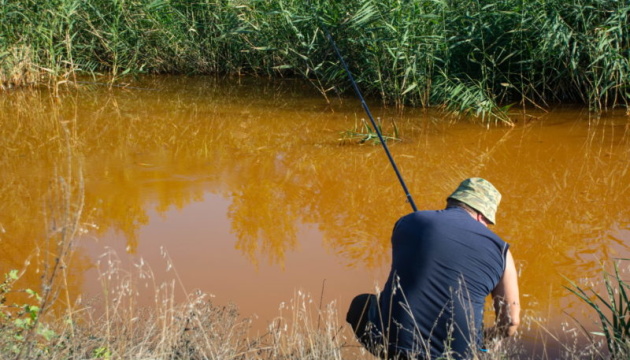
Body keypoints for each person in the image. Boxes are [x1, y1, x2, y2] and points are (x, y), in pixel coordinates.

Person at [347, 178, 520, 359]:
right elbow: (510, 322)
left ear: (453, 202)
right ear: (481, 216)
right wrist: (483, 341)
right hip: (460, 355)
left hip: (398, 348)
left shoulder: (407, 222)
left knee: (361, 304)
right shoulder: (503, 252)